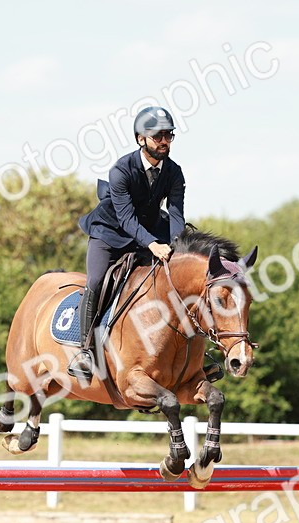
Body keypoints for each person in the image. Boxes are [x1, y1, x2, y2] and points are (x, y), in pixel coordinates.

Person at [68, 106, 186, 380]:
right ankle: (85, 351)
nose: (164, 141)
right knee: (96, 281)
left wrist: (177, 244)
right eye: (158, 136)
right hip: (109, 232)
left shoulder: (174, 172)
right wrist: (153, 245)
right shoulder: (121, 170)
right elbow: (126, 218)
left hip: (148, 230)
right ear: (140, 139)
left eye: (169, 135)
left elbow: (176, 213)